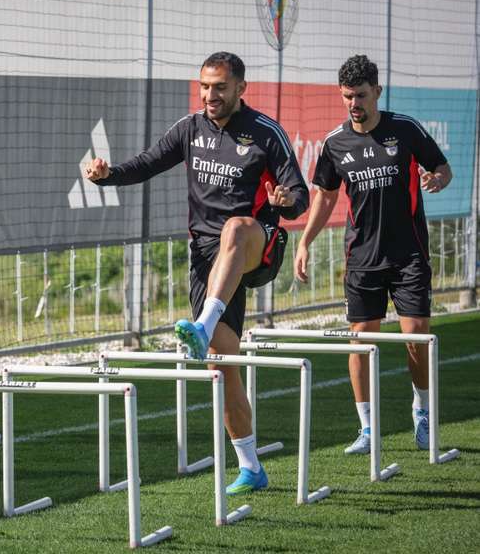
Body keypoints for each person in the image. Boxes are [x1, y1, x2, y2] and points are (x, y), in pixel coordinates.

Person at [87, 52, 309, 495]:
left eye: (220, 87)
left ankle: (202, 326)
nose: (210, 95)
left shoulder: (266, 133)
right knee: (222, 365)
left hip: (256, 242)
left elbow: (299, 195)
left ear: (241, 89)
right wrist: (108, 175)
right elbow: (148, 162)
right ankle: (251, 467)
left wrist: (286, 200)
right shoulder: (190, 129)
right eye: (205, 86)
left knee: (234, 227)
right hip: (207, 256)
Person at [293, 54, 452, 455]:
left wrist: (436, 178)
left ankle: (422, 413)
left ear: (377, 92)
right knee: (360, 343)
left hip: (408, 255)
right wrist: (304, 242)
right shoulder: (334, 143)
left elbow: (442, 169)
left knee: (416, 336)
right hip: (362, 259)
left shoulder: (406, 129)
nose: (353, 103)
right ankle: (367, 428)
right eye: (347, 96)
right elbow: (325, 198)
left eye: (360, 95)